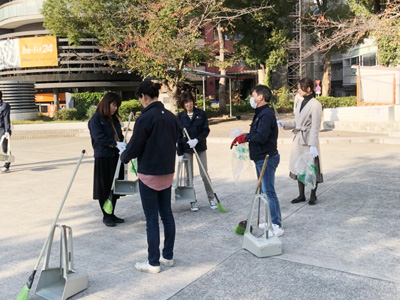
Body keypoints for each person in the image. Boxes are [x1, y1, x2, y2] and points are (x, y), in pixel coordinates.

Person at [121, 81, 179, 274]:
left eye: (140, 100)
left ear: (144, 97)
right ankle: (168, 256)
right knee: (167, 215)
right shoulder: (171, 117)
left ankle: (153, 262)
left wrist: (124, 156)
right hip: (167, 172)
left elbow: (135, 145)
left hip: (149, 174)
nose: (141, 103)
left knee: (152, 219)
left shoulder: (145, 118)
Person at [231, 84, 284, 237]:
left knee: (269, 191)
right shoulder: (260, 113)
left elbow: (261, 137)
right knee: (263, 191)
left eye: (253, 95)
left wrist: (246, 137)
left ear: (260, 97)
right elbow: (257, 132)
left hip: (267, 157)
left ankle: (276, 224)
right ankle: (268, 220)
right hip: (260, 158)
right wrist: (244, 135)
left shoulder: (266, 114)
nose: (252, 99)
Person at [277, 77, 323, 205]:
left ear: (308, 89)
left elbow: (315, 126)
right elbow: (297, 122)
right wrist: (284, 123)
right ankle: (301, 195)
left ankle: (313, 195)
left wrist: (313, 145)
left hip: (309, 140)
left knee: (312, 167)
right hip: (298, 139)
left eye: (300, 87)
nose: (298, 90)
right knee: (299, 167)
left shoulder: (315, 104)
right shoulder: (300, 102)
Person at [88, 92, 126, 227]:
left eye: (117, 106)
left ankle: (112, 212)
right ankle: (106, 215)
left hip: (115, 156)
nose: (115, 108)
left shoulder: (114, 120)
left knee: (114, 186)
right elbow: (99, 137)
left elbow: (120, 136)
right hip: (103, 157)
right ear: (106, 103)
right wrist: (114, 143)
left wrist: (122, 144)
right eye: (114, 105)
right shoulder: (96, 119)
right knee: (104, 187)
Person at [177, 90, 216, 212]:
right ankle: (192, 200)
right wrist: (179, 153)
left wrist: (197, 140)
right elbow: (177, 136)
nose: (189, 104)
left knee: (204, 174)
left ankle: (211, 198)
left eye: (190, 101)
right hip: (187, 148)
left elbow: (206, 130)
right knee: (189, 176)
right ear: (182, 104)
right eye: (186, 102)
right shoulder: (179, 117)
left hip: (199, 147)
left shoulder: (201, 114)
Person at [0, 91, 11, 173]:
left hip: (3, 129)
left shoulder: (4, 106)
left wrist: (7, 131)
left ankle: (7, 165)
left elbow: (6, 119)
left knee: (5, 148)